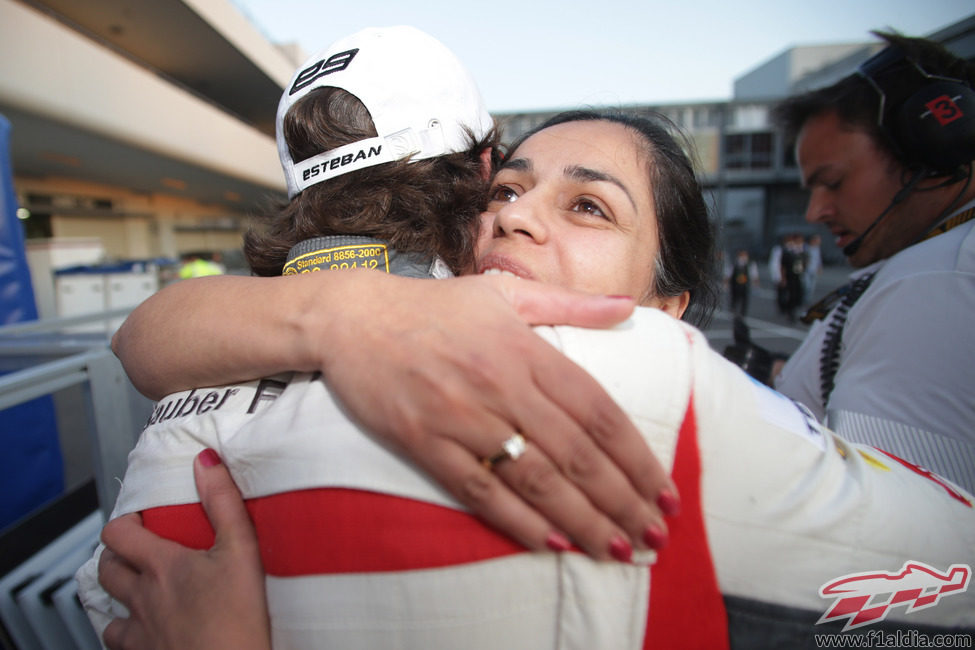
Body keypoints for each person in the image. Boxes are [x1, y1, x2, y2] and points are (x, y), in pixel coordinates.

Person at [87, 30, 975, 646]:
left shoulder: (667, 391)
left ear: (671, 305)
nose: (516, 221)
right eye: (503, 192)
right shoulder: (348, 335)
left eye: (588, 206)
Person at [770, 31, 975, 493]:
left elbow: (881, 512)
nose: (815, 211)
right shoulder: (929, 262)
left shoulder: (934, 279)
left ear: (934, 143)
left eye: (833, 182)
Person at [724, 248, 759, 316]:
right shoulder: (734, 264)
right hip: (735, 285)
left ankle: (743, 312)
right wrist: (726, 283)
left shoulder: (750, 264)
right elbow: (728, 274)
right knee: (735, 297)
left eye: (745, 255)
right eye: (742, 255)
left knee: (745, 298)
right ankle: (733, 308)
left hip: (745, 285)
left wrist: (756, 284)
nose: (744, 257)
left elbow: (754, 274)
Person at [803, 233, 823, 302]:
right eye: (818, 240)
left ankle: (807, 300)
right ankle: (803, 298)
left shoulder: (817, 249)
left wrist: (819, 268)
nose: (819, 242)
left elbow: (819, 259)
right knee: (806, 285)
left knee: (812, 287)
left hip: (814, 269)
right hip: (806, 269)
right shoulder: (806, 247)